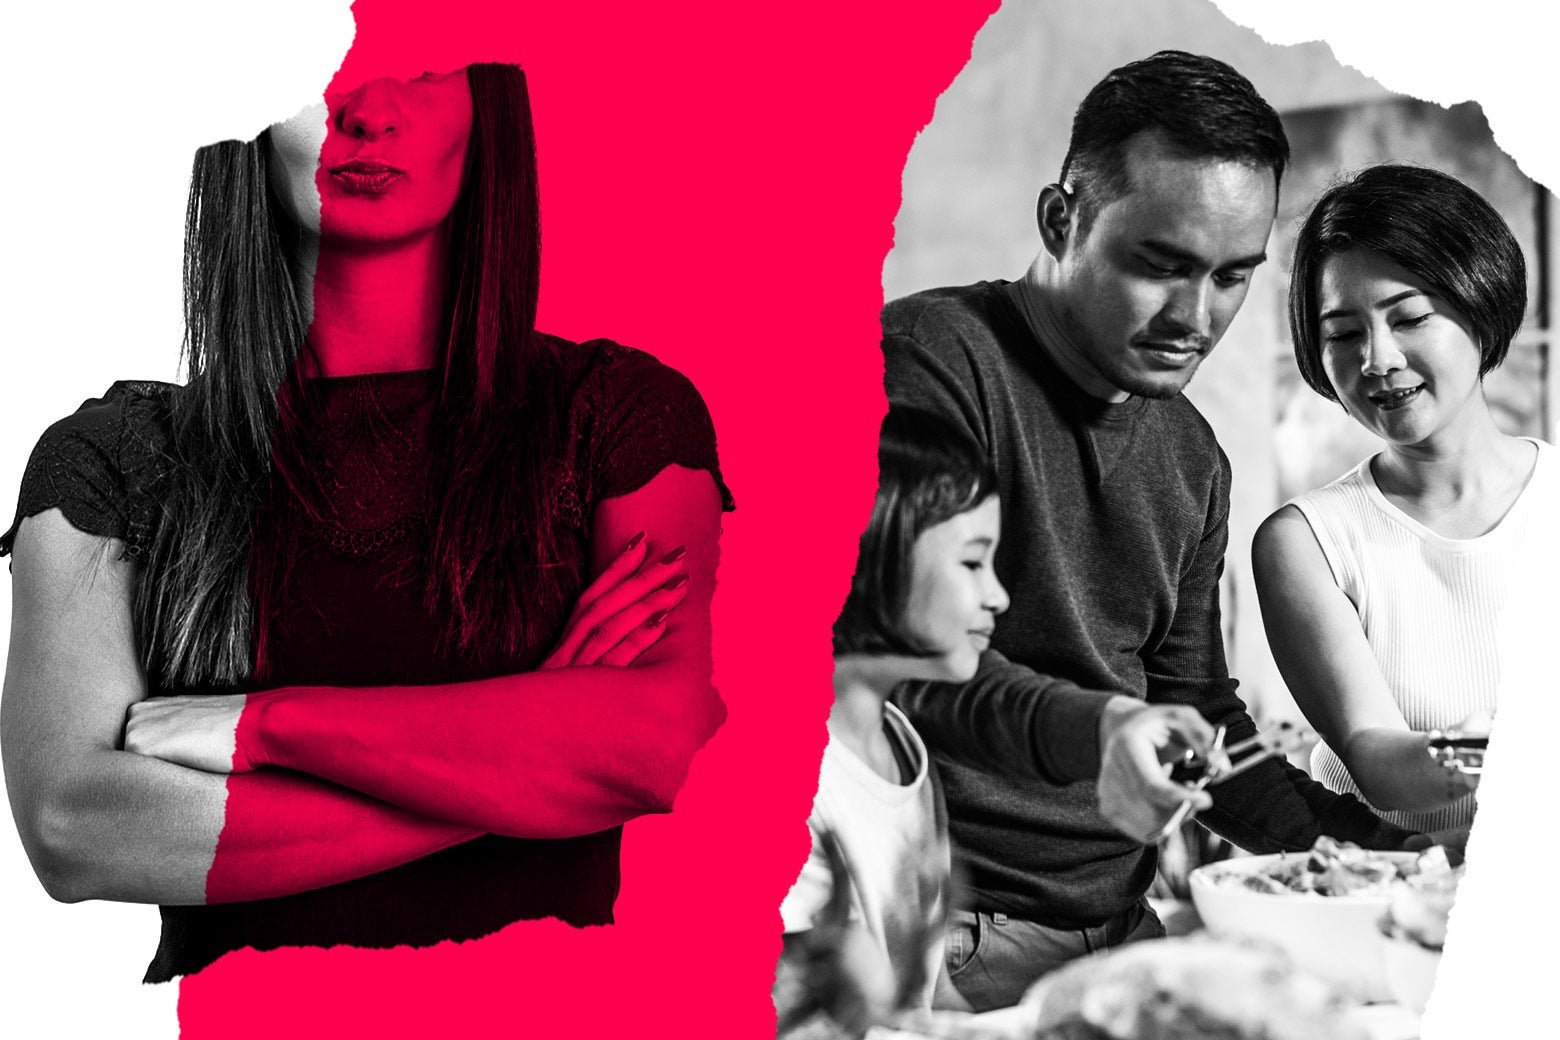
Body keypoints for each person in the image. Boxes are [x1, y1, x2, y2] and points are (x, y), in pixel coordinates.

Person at [0, 64, 731, 982]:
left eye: (423, 67)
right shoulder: (114, 457)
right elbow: (72, 830)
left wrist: (268, 726)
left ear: (487, 103)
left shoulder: (614, 416)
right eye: (321, 69)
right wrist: (531, 759)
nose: (371, 113)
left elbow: (659, 745)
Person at [880, 50, 1418, 1011]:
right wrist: (1105, 728)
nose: (1195, 316)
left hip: (1123, 924)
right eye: (1160, 265)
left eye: (1232, 277)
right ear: (1062, 220)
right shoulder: (927, 367)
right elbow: (892, 655)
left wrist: (1391, 854)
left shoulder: (1191, 456)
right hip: (954, 935)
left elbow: (1199, 716)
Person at [1253, 164, 1555, 836]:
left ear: (1480, 303)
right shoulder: (1307, 542)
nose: (1378, 359)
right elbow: (1379, 761)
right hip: (1385, 884)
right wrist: (1503, 746)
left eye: (1410, 317)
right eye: (1343, 333)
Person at [773, 408, 1009, 1038]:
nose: (998, 596)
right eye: (973, 563)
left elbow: (931, 994)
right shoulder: (781, 781)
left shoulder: (901, 746)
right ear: (873, 554)